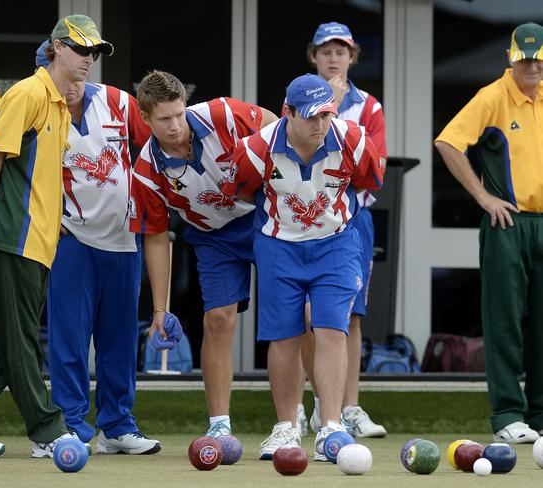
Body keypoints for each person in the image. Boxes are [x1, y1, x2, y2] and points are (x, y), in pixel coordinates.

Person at [0, 14, 113, 458]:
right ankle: (48, 430)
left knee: (2, 341)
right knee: (22, 341)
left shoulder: (55, 104)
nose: (88, 58)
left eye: (93, 51)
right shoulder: (28, 93)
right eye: (80, 48)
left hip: (34, 242)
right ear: (56, 48)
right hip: (13, 239)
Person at [223, 74, 384, 460]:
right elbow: (243, 188)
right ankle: (285, 429)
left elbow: (370, 179)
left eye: (326, 115)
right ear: (288, 113)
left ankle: (331, 428)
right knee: (284, 335)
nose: (320, 125)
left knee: (331, 327)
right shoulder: (255, 147)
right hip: (279, 246)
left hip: (337, 243)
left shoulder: (354, 138)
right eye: (310, 116)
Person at [130, 70, 277, 438]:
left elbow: (276, 126)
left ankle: (308, 415)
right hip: (213, 237)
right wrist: (160, 310)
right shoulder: (146, 172)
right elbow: (157, 238)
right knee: (217, 320)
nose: (176, 125)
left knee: (294, 314)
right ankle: (219, 426)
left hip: (262, 217)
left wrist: (273, 183)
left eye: (179, 114)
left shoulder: (223, 113)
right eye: (164, 119)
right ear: (145, 118)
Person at [34, 41, 161, 455]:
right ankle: (69, 424)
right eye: (64, 77)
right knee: (69, 339)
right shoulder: (36, 109)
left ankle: (118, 426)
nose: (73, 84)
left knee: (120, 341)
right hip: (71, 240)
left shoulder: (116, 101)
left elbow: (158, 138)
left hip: (124, 241)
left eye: (80, 74)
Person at [435, 22, 543, 444]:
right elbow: (447, 142)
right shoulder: (493, 96)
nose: (531, 66)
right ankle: (507, 413)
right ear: (510, 57)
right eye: (524, 59)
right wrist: (482, 196)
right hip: (508, 223)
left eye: (537, 58)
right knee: (504, 322)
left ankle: (539, 413)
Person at [294, 21, 388, 439]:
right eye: (326, 52)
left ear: (353, 57)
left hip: (351, 219)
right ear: (313, 56)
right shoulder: (296, 98)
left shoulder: (369, 106)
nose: (334, 59)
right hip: (301, 217)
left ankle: (348, 408)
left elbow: (375, 173)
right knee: (300, 314)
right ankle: (303, 407)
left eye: (341, 52)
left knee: (349, 317)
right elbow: (289, 156)